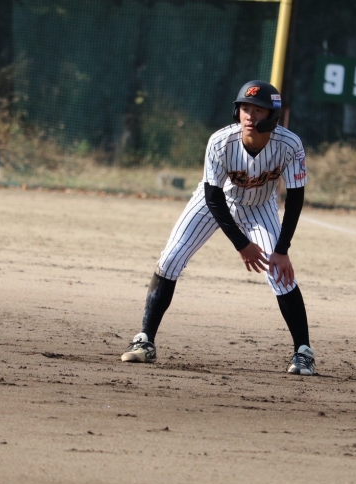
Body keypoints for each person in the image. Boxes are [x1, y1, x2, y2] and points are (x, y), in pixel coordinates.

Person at [121, 80, 315, 376]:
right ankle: (145, 340)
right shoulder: (221, 141)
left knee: (279, 272)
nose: (250, 116)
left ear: (272, 116)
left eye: (258, 110)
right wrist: (242, 244)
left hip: (260, 205)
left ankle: (303, 352)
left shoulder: (289, 145)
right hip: (214, 202)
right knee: (170, 259)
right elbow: (213, 196)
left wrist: (282, 249)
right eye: (245, 108)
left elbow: (296, 198)